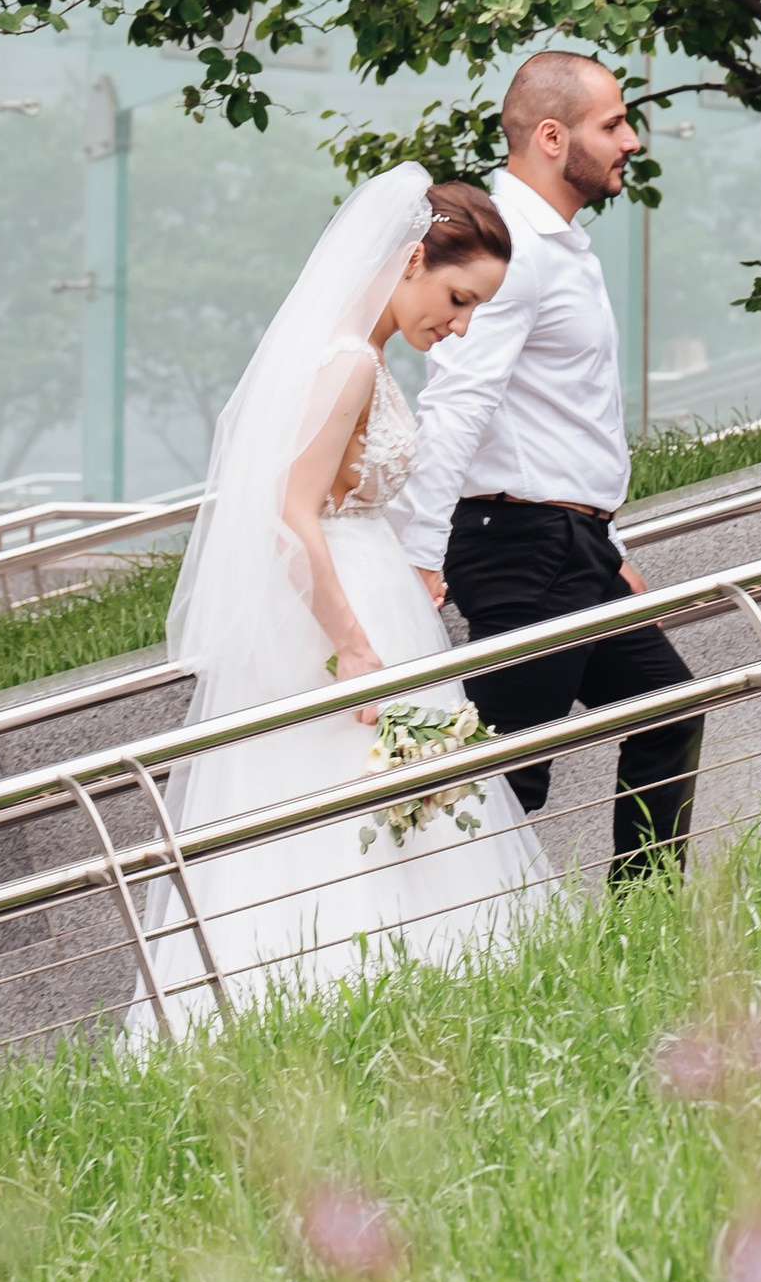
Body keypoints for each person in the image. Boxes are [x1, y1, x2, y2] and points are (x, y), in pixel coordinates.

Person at [126, 166, 556, 1036]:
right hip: (345, 617)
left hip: (375, 594)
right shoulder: (349, 363)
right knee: (350, 804)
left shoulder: (360, 358)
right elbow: (290, 517)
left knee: (401, 808)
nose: (461, 324)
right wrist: (355, 649)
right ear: (411, 261)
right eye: (458, 296)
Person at [395, 54, 704, 883]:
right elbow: (458, 401)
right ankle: (453, 941)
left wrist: (610, 538)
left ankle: (643, 924)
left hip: (571, 540)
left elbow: (567, 414)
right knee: (507, 778)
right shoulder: (516, 248)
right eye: (613, 124)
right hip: (517, 541)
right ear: (551, 135)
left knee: (667, 709)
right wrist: (422, 552)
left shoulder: (559, 244)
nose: (630, 140)